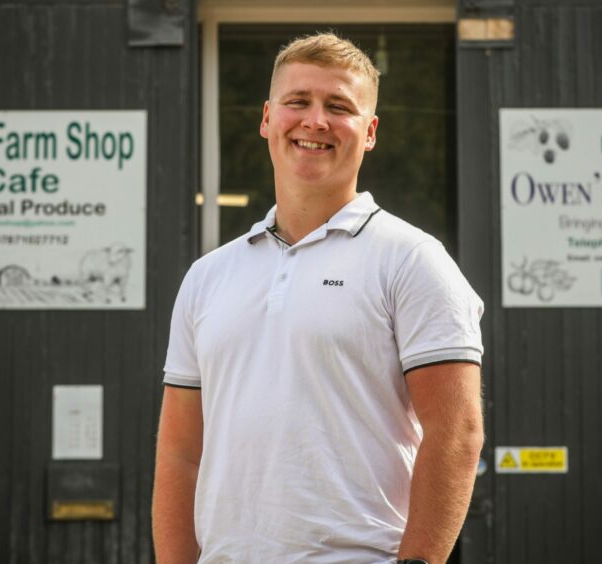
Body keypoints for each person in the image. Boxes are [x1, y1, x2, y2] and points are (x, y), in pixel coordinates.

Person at [152, 32, 485, 564]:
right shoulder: (207, 277)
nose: (315, 121)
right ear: (267, 118)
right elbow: (180, 453)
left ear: (370, 131)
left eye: (339, 106)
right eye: (297, 102)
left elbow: (457, 434)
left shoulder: (413, 260)